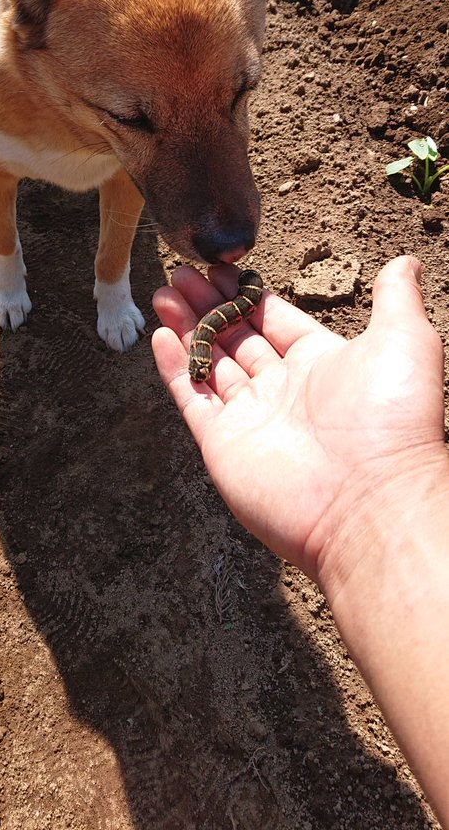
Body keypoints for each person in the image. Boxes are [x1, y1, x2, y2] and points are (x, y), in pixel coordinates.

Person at [152, 256, 448, 826]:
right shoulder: (206, 349)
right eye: (201, 367)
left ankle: (245, 285)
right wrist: (392, 497)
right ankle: (244, 285)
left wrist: (394, 480)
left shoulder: (214, 344)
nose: (202, 373)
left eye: (201, 367)